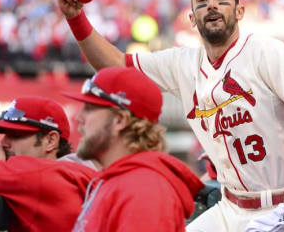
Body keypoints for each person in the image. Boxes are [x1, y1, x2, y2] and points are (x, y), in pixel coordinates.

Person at [57, 0, 284, 231]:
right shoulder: (183, 63)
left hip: (281, 205)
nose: (211, 5)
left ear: (239, 12)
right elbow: (116, 66)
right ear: (191, 18)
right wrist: (76, 18)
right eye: (202, 1)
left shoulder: (266, 51)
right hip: (229, 206)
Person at [64, 66, 204, 232]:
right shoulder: (122, 181)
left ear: (119, 120)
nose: (79, 118)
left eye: (89, 109)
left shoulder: (142, 190)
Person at [0, 96, 96, 232]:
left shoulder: (42, 176)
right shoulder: (76, 171)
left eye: (17, 135)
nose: (4, 143)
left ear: (50, 141)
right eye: (6, 134)